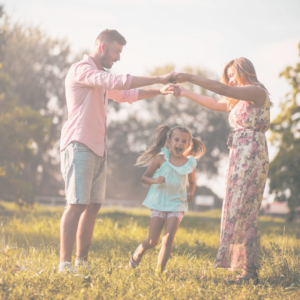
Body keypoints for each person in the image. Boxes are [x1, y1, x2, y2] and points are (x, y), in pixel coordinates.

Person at [58, 29, 177, 273]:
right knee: (77, 204)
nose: (118, 57)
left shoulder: (99, 77)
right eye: (116, 51)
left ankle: (81, 262)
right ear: (102, 47)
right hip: (79, 144)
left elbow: (125, 94)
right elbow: (118, 82)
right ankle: (64, 264)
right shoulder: (82, 70)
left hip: (98, 148)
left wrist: (159, 91)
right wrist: (159, 79)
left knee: (93, 206)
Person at [170, 57, 271, 284]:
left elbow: (221, 89)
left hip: (252, 156)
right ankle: (240, 267)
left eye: (234, 74)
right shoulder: (239, 99)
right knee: (235, 209)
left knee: (246, 211)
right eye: (229, 77)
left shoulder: (256, 92)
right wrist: (186, 91)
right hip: (239, 155)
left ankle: (250, 271)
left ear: (245, 71)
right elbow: (215, 102)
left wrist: (189, 76)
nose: (231, 80)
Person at [129, 124, 205, 272]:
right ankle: (140, 250)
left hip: (177, 204)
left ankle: (159, 272)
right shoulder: (160, 159)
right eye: (176, 139)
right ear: (169, 141)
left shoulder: (190, 163)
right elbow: (145, 178)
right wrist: (155, 180)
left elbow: (192, 182)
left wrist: (190, 193)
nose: (180, 143)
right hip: (159, 203)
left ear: (189, 145)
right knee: (152, 241)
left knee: (168, 238)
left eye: (184, 141)